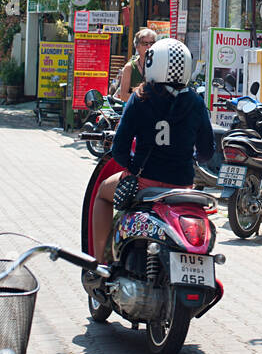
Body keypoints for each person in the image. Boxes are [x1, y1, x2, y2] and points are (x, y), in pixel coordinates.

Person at [90, 37, 214, 263]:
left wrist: (133, 169)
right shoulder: (196, 102)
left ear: (152, 64)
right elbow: (206, 152)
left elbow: (119, 149)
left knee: (102, 194)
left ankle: (101, 265)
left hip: (145, 182)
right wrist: (189, 159)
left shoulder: (140, 97)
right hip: (183, 186)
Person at [113, 28, 158, 101]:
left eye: (152, 43)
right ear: (137, 46)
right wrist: (144, 97)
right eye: (145, 43)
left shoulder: (160, 65)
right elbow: (123, 96)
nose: (149, 46)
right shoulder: (130, 67)